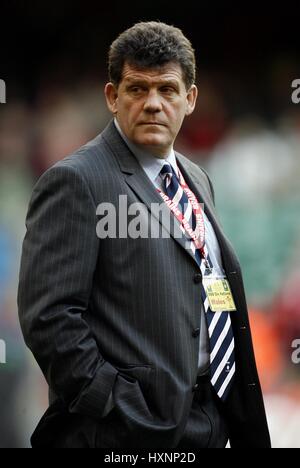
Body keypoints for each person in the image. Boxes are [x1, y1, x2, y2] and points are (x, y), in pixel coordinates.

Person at [18, 21, 271, 448]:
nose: (153, 103)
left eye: (167, 90)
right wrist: (120, 404)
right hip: (123, 433)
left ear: (190, 100)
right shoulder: (76, 180)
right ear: (112, 97)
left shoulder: (197, 178)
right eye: (137, 89)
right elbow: (50, 319)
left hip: (209, 419)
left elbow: (209, 284)